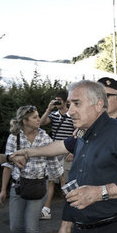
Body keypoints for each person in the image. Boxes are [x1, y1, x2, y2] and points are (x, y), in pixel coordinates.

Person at [13, 80, 117, 233]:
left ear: (97, 105)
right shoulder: (82, 135)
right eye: (69, 105)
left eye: (77, 104)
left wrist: (100, 192)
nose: (70, 112)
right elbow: (76, 182)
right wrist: (66, 223)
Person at [0, 105, 63, 233]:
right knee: (16, 227)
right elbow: (7, 164)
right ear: (24, 121)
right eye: (34, 117)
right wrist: (3, 190)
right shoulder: (14, 138)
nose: (38, 119)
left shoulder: (44, 137)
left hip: (38, 187)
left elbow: (54, 161)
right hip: (18, 188)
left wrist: (62, 183)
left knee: (31, 229)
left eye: (38, 116)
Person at [39, 91, 73, 220]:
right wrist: (48, 109)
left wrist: (72, 151)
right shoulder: (54, 115)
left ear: (65, 101)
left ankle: (71, 208)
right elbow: (41, 123)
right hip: (54, 152)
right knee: (51, 181)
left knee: (67, 182)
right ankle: (46, 209)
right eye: (55, 100)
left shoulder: (72, 115)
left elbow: (78, 133)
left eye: (59, 100)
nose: (57, 102)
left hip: (66, 153)